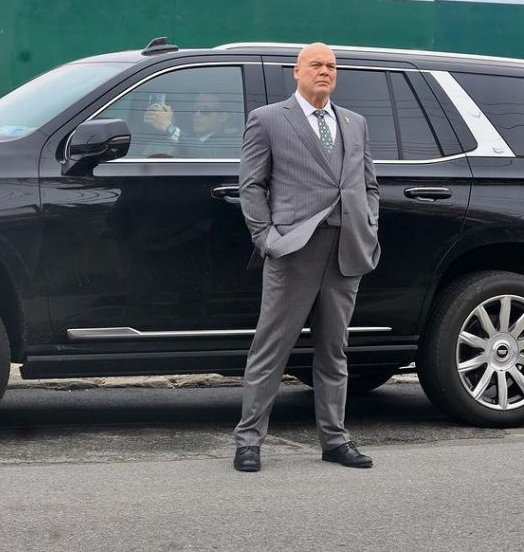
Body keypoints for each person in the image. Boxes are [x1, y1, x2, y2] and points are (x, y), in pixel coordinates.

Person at [233, 42, 381, 472]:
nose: (325, 71)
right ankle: (249, 441)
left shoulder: (355, 123)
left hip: (346, 249)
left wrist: (368, 228)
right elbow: (251, 186)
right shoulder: (268, 119)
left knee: (334, 350)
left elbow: (368, 185)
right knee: (270, 348)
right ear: (296, 71)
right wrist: (267, 238)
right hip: (293, 249)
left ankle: (335, 439)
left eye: (331, 66)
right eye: (316, 64)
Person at [141, 92, 238, 158]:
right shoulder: (186, 137)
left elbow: (205, 155)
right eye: (195, 109)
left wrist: (169, 127)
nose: (197, 114)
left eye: (205, 110)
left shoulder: (230, 143)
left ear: (222, 117)